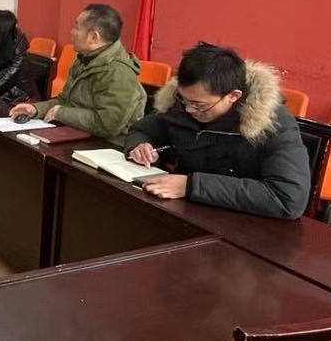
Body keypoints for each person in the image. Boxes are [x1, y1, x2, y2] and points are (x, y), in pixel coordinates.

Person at [123, 42, 310, 219]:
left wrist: (191, 186)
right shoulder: (180, 102)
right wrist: (140, 146)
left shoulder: (272, 123)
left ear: (233, 96)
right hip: (186, 209)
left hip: (242, 222)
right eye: (184, 100)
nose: (189, 109)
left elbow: (288, 198)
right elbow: (143, 130)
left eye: (199, 105)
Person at [8, 3, 145, 140]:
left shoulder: (118, 72)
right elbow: (65, 100)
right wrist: (36, 109)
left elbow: (107, 125)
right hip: (78, 133)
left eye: (77, 27)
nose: (72, 32)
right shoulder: (84, 59)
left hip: (108, 145)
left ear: (93, 37)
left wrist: (61, 113)